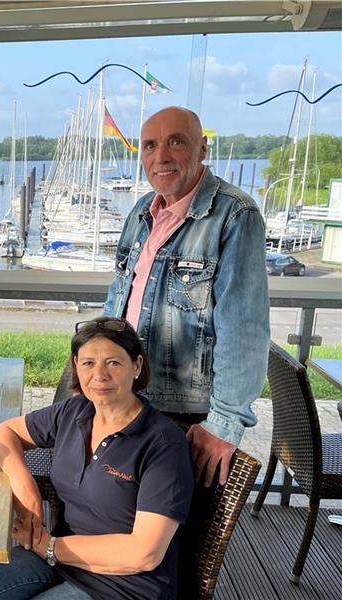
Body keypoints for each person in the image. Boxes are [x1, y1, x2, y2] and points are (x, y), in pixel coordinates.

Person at [0, 317, 194, 600]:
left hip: (124, 586)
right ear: (76, 365)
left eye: (113, 362)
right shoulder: (75, 411)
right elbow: (4, 432)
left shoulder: (163, 444)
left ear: (137, 366)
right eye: (88, 363)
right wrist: (26, 488)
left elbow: (144, 553)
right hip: (60, 559)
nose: (99, 375)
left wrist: (51, 547)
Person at [103, 106, 269, 486]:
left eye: (175, 142)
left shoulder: (234, 215)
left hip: (182, 417)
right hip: (128, 399)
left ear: (202, 149)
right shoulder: (142, 212)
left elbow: (244, 330)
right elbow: (119, 298)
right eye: (149, 146)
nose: (160, 156)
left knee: (162, 532)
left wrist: (224, 424)